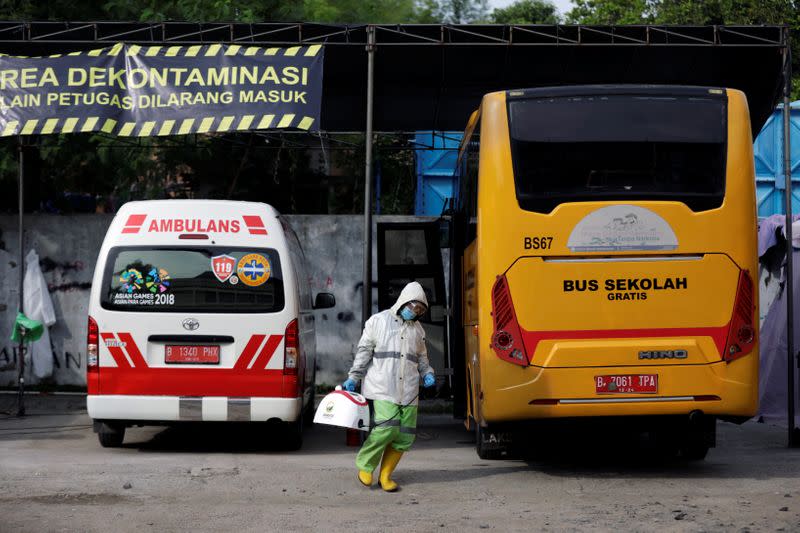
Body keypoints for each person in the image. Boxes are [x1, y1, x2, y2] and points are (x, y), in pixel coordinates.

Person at [343, 281, 435, 492]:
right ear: (404, 302)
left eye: (421, 309)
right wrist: (354, 376)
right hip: (383, 387)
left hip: (410, 390)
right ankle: (366, 466)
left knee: (405, 435)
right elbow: (364, 350)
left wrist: (427, 373)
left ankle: (386, 476)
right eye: (414, 307)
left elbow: (422, 358)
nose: (417, 312)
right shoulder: (378, 321)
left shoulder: (418, 330)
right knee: (387, 428)